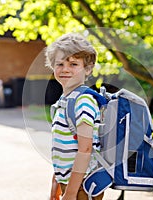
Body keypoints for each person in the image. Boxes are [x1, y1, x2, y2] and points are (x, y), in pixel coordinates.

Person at [45, 33, 104, 200]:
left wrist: (70, 193)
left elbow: (85, 149)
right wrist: (57, 180)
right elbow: (63, 148)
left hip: (82, 186)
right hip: (70, 183)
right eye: (60, 64)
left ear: (88, 68)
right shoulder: (64, 101)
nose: (65, 69)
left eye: (73, 64)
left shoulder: (83, 101)